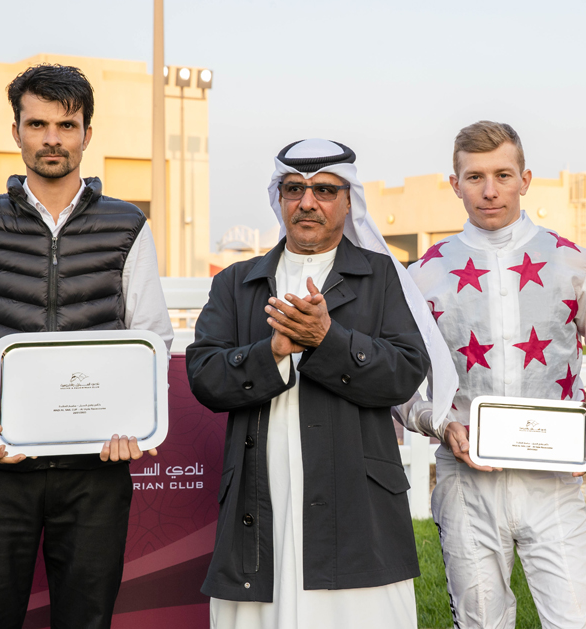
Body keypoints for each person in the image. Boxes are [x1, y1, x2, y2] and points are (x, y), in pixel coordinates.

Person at [0, 64, 174, 628]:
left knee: (86, 620)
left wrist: (138, 421)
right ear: (17, 132)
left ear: (87, 132)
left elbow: (152, 337)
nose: (52, 138)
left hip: (96, 469)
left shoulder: (127, 224)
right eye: (37, 124)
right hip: (0, 459)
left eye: (66, 124)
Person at [186, 138, 455, 629]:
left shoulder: (383, 278)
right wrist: (271, 353)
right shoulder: (235, 281)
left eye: (325, 190)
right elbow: (204, 376)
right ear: (280, 197)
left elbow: (403, 373)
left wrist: (327, 340)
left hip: (358, 504)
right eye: (294, 189)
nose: (307, 202)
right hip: (257, 498)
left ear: (349, 200)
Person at [399, 121, 586, 629]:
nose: (489, 189)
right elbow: (402, 378)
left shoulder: (572, 262)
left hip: (554, 480)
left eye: (503, 174)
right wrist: (438, 423)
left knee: (575, 622)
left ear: (525, 179)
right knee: (481, 623)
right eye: (474, 176)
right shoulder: (425, 275)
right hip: (465, 481)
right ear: (454, 183)